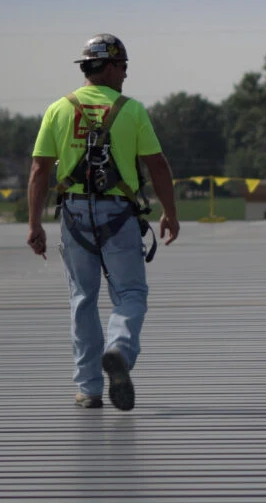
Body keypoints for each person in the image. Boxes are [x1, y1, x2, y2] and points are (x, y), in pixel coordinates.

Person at [26, 33, 179, 411]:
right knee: (130, 294)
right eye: (123, 66)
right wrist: (170, 213)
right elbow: (157, 164)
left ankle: (89, 389)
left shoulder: (58, 109)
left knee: (83, 300)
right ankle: (119, 351)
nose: (126, 74)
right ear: (108, 66)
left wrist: (34, 224)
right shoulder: (132, 109)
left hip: (75, 213)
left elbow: (39, 169)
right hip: (118, 214)